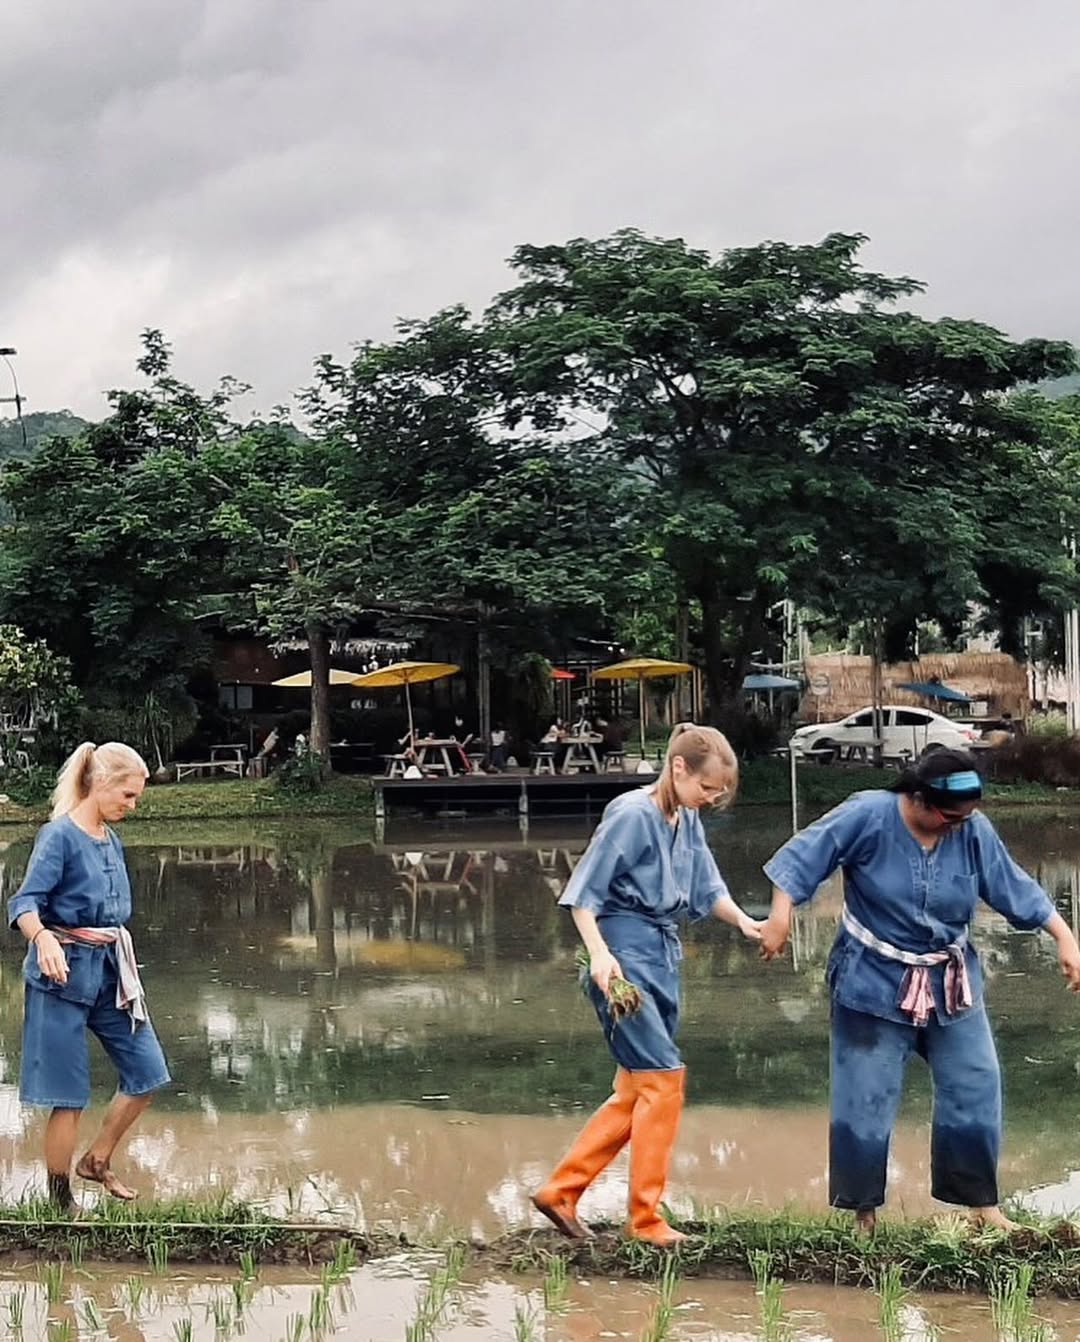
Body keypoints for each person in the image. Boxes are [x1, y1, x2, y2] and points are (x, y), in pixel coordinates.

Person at [759, 749, 1080, 1235]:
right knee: (865, 1094)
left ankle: (981, 1207)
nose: (960, 825)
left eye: (967, 816)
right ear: (918, 799)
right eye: (951, 816)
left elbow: (1014, 887)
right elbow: (806, 855)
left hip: (949, 982)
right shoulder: (868, 813)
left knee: (976, 1081)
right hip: (872, 981)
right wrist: (781, 916)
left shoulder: (971, 830)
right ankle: (862, 1214)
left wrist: (1064, 936)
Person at [531, 723, 762, 1246]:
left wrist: (745, 922)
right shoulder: (632, 815)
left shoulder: (685, 817)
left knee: (637, 1088)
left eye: (718, 793)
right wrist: (600, 957)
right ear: (678, 768)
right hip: (624, 962)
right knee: (663, 1081)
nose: (711, 798)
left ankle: (561, 1192)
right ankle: (646, 1219)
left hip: (661, 955)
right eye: (706, 788)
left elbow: (706, 887)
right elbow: (583, 894)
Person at [8, 742, 171, 1212]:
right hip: (59, 977)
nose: (132, 805)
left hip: (109, 972)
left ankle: (97, 1160)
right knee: (69, 1095)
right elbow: (23, 904)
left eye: (136, 797)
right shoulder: (57, 837)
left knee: (147, 1073)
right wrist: (43, 939)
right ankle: (61, 1203)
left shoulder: (109, 837)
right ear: (100, 784)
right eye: (127, 795)